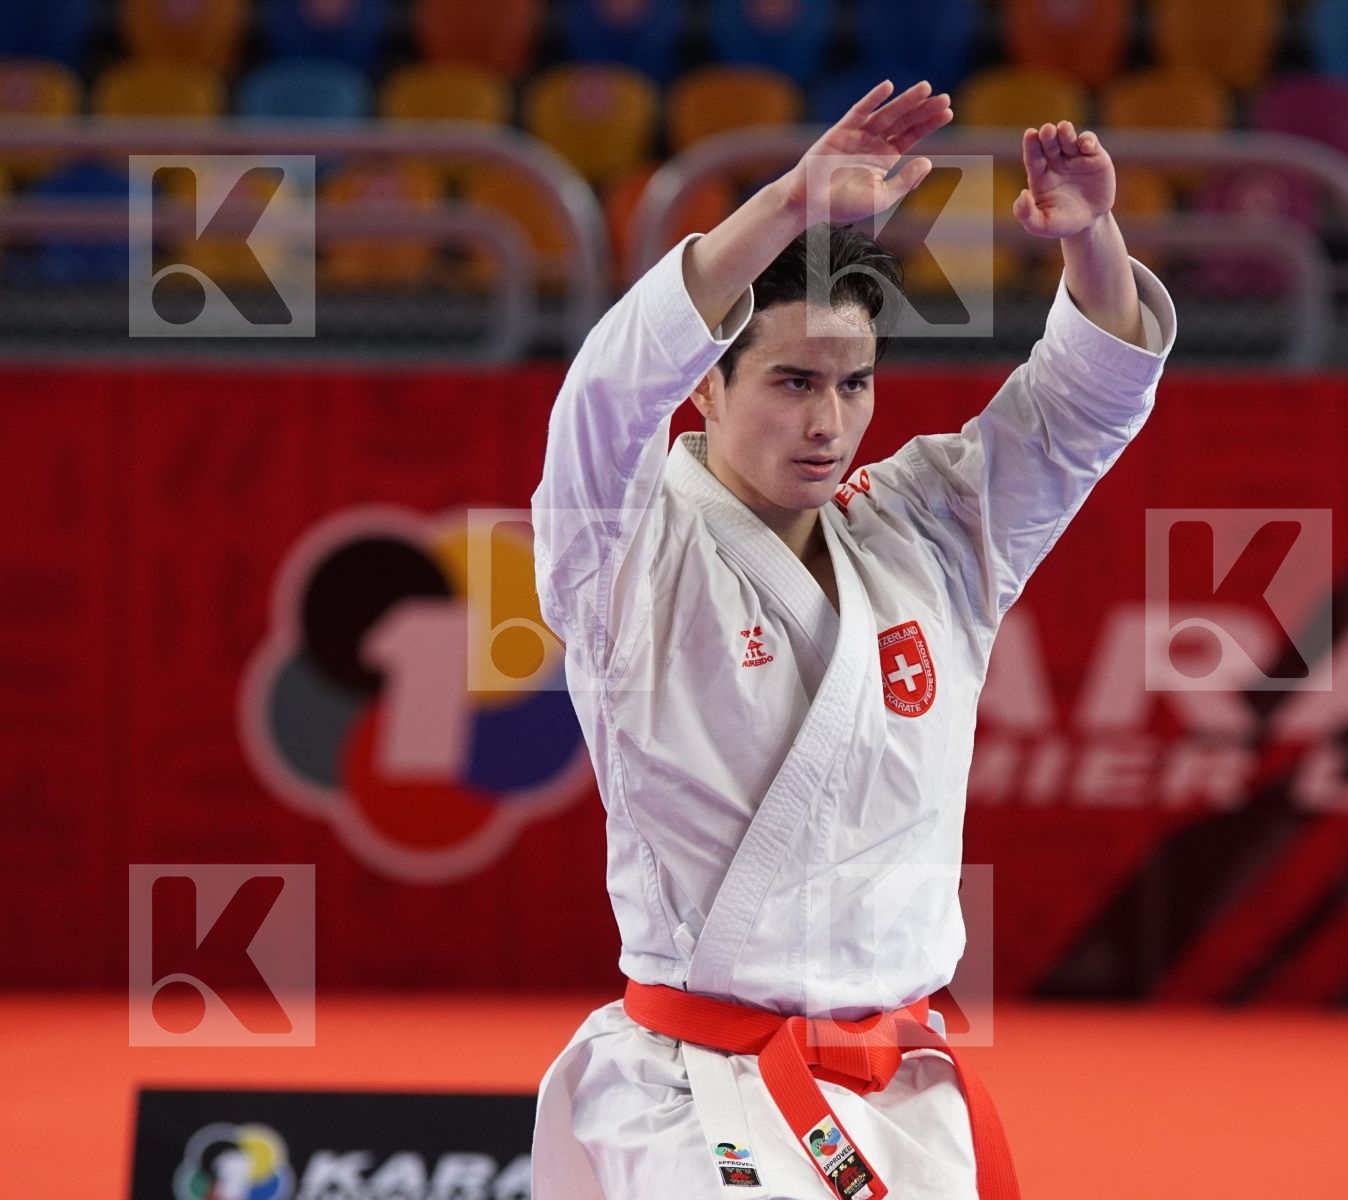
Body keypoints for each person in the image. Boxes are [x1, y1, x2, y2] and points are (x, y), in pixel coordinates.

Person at [529, 78, 1176, 1198]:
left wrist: (1093, 243)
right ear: (704, 392)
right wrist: (784, 209)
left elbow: (1078, 416)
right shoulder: (627, 553)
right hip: (697, 1093)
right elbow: (602, 395)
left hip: (901, 1095)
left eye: (854, 382)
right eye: (790, 381)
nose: (828, 421)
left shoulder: (927, 533)